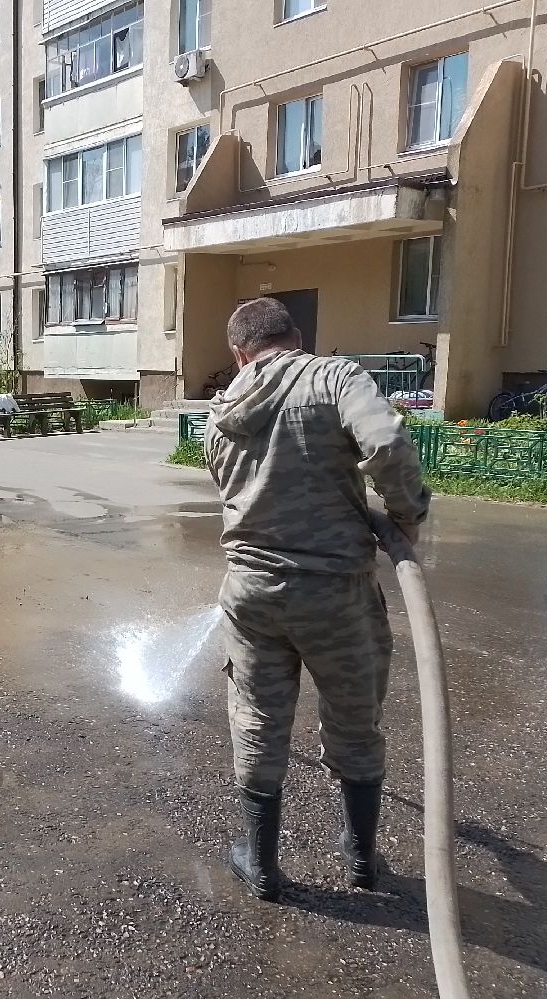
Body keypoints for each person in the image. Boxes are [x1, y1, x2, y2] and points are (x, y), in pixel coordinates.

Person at [204, 298, 430, 902]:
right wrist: (406, 517)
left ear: (239, 354)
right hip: (335, 592)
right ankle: (360, 859)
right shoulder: (333, 377)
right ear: (297, 337)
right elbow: (386, 442)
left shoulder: (220, 411)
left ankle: (260, 863)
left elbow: (231, 489)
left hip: (251, 594)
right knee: (354, 722)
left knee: (258, 718)